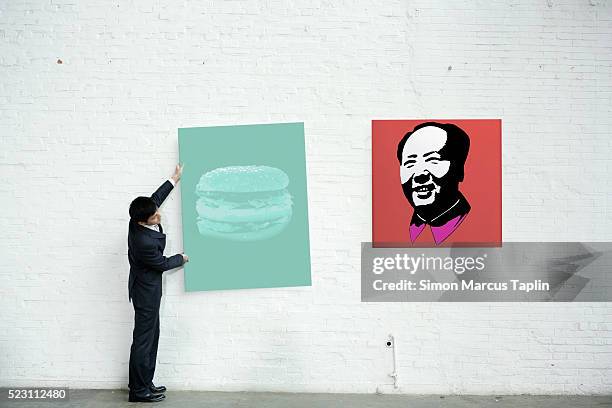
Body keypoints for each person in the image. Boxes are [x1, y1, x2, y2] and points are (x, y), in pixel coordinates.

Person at [127, 164, 189, 403]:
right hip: (145, 293)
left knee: (151, 337)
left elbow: (154, 199)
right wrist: (181, 258)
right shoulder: (143, 241)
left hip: (146, 289)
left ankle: (144, 383)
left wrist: (173, 179)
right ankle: (138, 391)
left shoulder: (136, 219)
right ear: (143, 222)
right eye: (154, 216)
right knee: (144, 340)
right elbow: (162, 264)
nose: (158, 215)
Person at [397, 122, 471, 245]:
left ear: (458, 169)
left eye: (432, 160)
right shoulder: (394, 229)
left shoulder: (478, 227)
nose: (420, 174)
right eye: (410, 163)